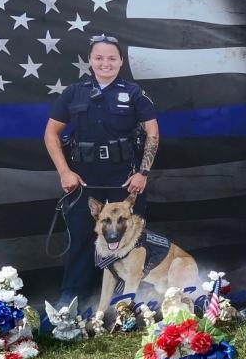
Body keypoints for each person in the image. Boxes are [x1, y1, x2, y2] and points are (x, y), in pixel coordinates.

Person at [43, 35, 159, 306]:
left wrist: (143, 172)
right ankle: (72, 298)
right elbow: (51, 133)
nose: (105, 63)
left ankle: (126, 301)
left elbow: (152, 133)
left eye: (111, 58)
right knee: (81, 240)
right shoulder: (74, 92)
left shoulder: (134, 93)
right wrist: (64, 172)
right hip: (85, 181)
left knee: (131, 241)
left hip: (124, 182)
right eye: (99, 58)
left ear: (120, 61)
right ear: (90, 61)